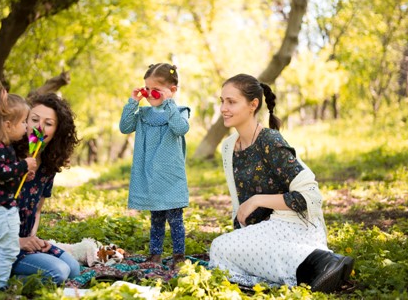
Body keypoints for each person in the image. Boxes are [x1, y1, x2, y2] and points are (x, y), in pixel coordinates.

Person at [209, 74, 354, 293]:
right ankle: (307, 265)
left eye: (231, 102)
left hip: (294, 225)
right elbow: (239, 203)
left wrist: (257, 200)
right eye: (222, 101)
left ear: (253, 105)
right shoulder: (229, 147)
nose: (223, 108)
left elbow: (310, 199)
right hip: (265, 231)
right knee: (223, 250)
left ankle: (321, 262)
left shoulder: (269, 141)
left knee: (219, 247)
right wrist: (242, 235)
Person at [0, 92, 81, 286]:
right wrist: (16, 241)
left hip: (23, 241)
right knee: (59, 272)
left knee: (74, 269)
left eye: (48, 123)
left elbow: (36, 210)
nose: (39, 127)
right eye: (33, 119)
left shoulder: (48, 165)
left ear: (57, 131)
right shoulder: (3, 157)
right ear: (23, 121)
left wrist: (31, 238)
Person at [119, 63, 190, 268]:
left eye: (155, 90)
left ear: (172, 91)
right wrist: (133, 102)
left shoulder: (179, 111)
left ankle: (179, 256)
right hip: (149, 174)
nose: (149, 94)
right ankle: (155, 255)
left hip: (170, 176)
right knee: (156, 218)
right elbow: (125, 128)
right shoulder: (142, 114)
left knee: (175, 219)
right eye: (146, 89)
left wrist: (168, 103)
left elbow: (180, 128)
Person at [0, 85, 38, 289]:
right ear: (8, 125)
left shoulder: (3, 148)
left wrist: (23, 174)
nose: (27, 127)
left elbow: (2, 178)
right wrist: (23, 165)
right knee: (9, 251)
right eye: (23, 122)